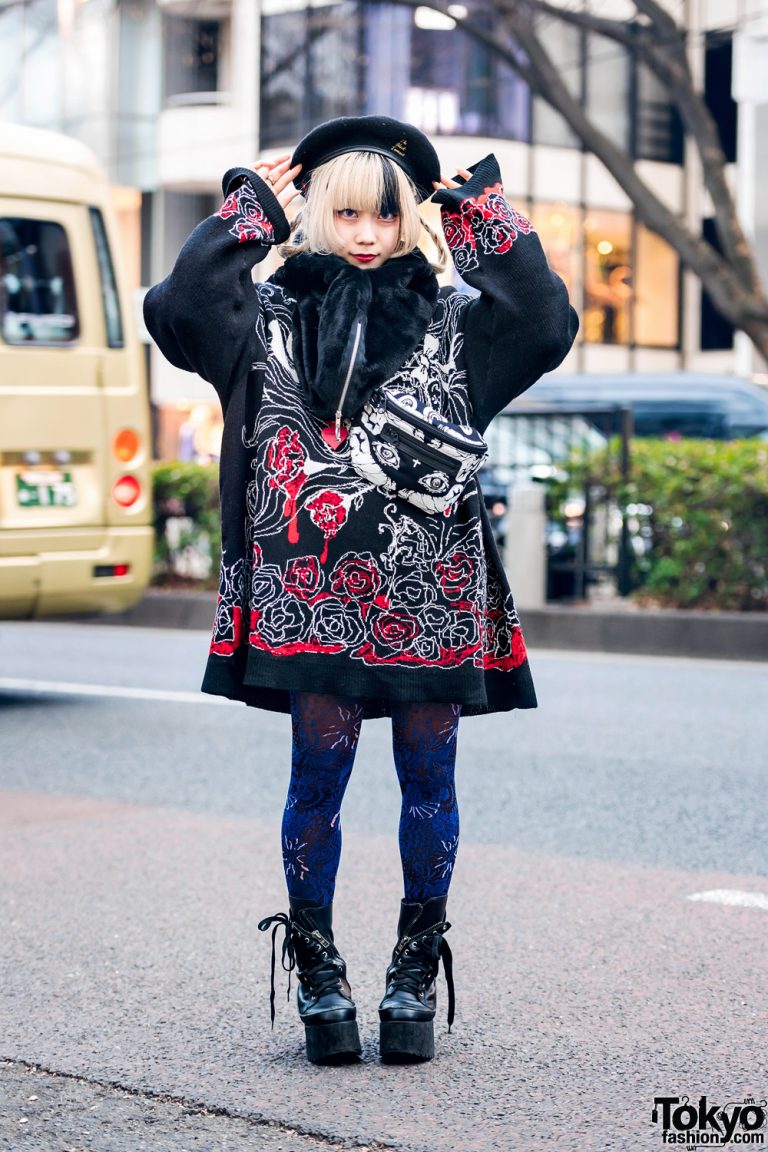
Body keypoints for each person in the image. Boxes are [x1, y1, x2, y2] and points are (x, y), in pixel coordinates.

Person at [143, 115, 578, 1067]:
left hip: (430, 595)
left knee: (431, 780)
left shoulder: (463, 326)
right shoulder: (265, 322)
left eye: (388, 214)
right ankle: (321, 977)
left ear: (413, 217)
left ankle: (413, 976)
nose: (369, 233)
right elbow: (177, 310)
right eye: (346, 213)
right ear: (317, 215)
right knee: (318, 781)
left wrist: (479, 213)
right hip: (309, 594)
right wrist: (246, 212)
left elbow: (547, 323)